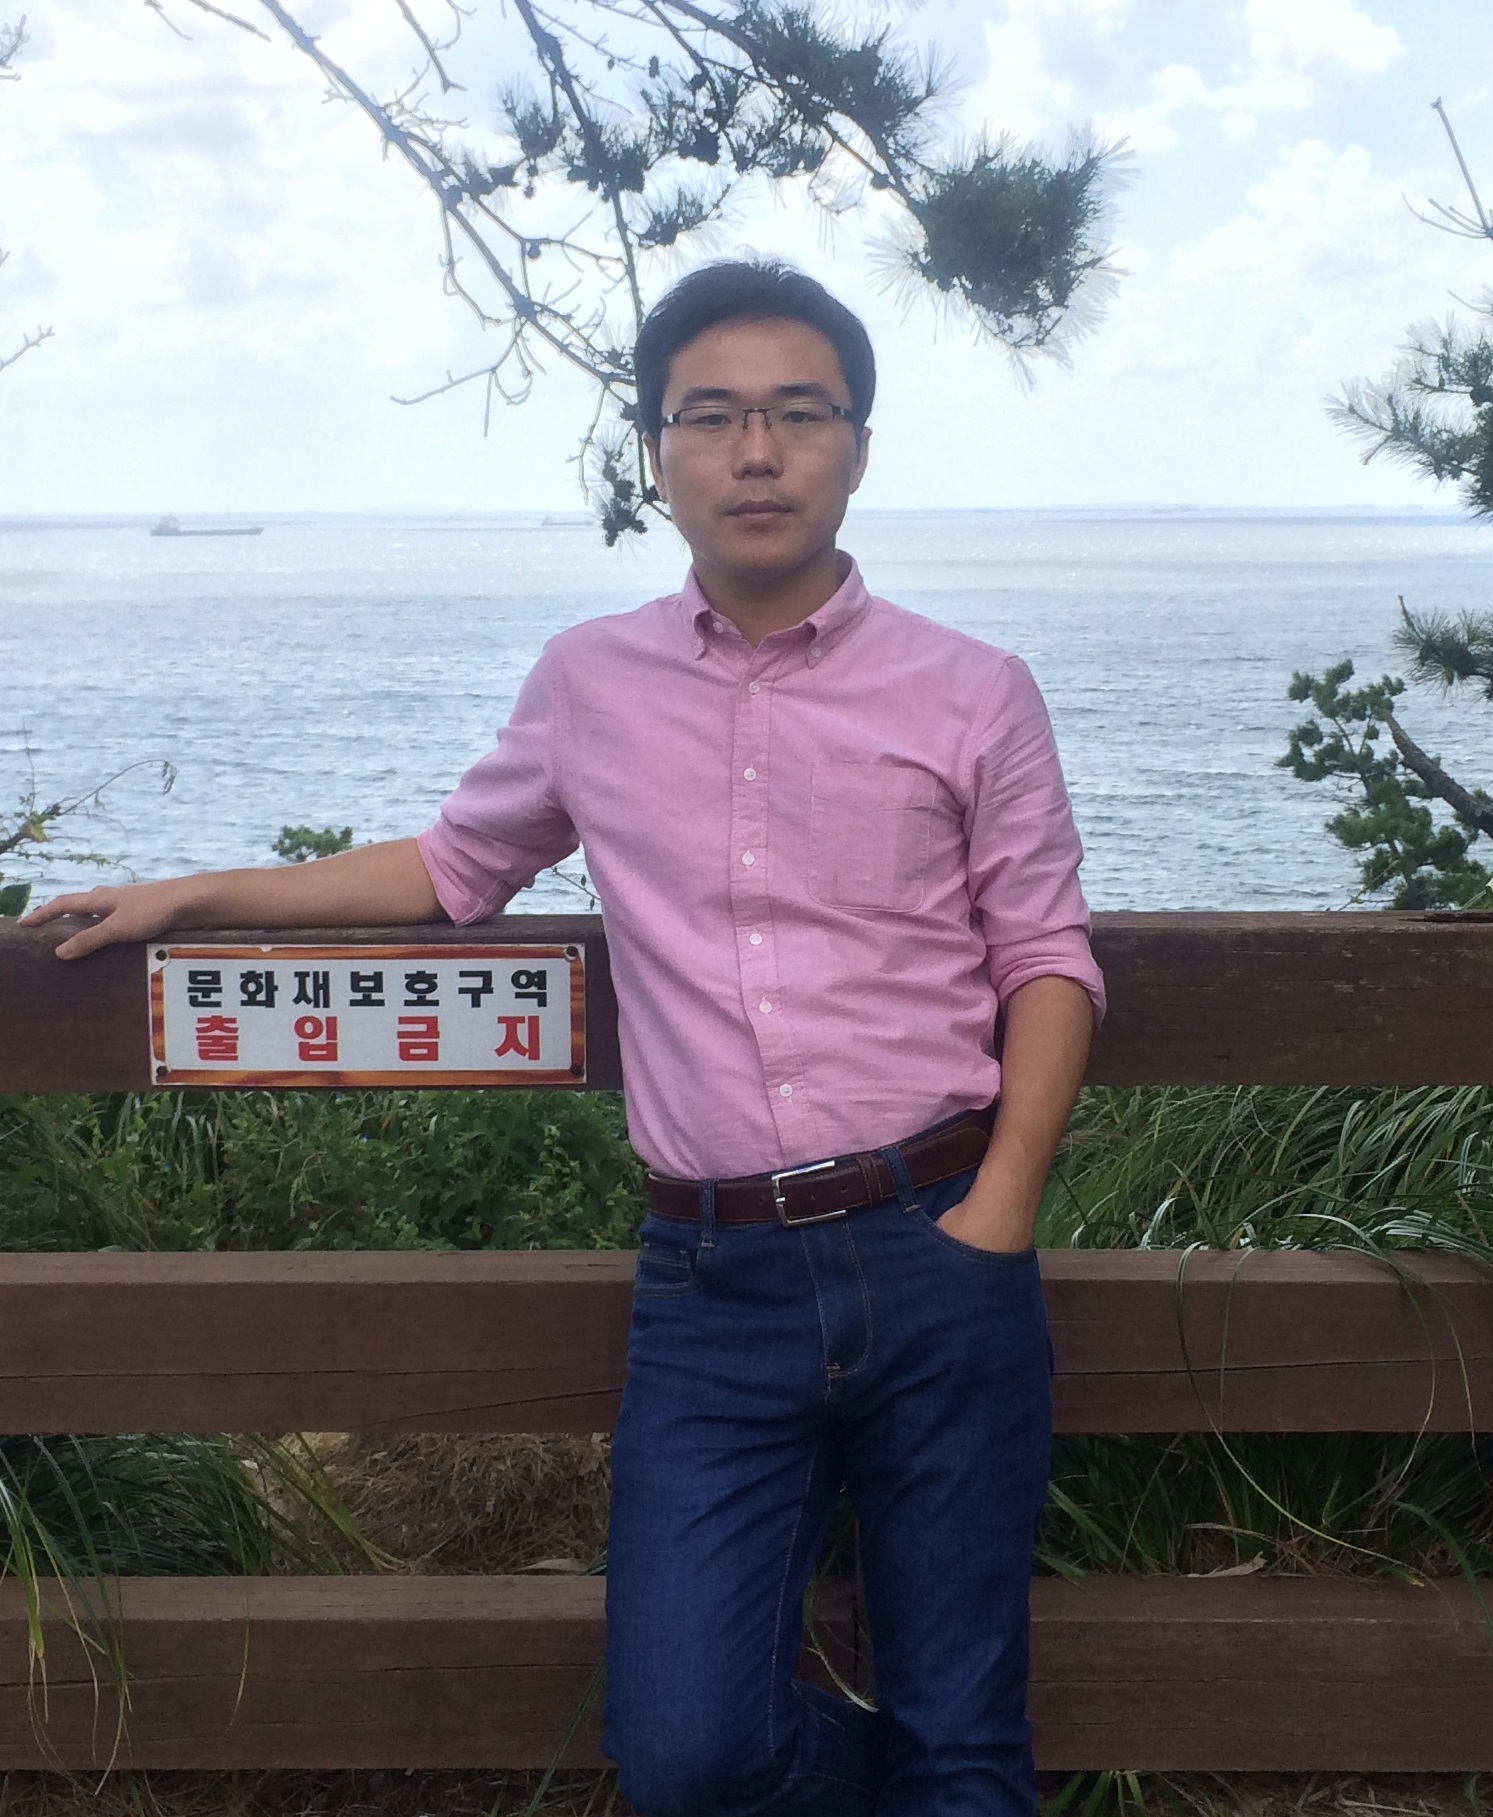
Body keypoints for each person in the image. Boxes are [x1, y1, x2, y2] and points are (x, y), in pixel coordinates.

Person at [24, 258, 1104, 1817]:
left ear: (857, 447)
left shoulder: (972, 690)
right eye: (710, 416)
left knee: (963, 1722)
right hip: (712, 1281)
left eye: (797, 414)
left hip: (939, 1234)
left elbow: (1047, 958)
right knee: (690, 1752)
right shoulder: (591, 682)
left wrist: (998, 1210)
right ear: (654, 452)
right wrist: (198, 892)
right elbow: (451, 867)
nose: (754, 451)